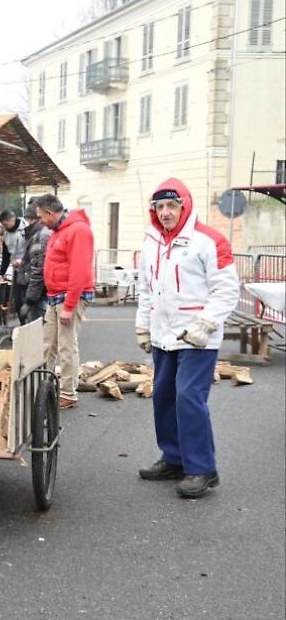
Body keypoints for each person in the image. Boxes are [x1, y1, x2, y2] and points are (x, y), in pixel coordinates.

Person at [135, 179, 238, 499]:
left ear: (185, 206)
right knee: (164, 397)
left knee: (188, 398)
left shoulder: (209, 240)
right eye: (160, 207)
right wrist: (143, 326)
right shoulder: (151, 242)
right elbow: (146, 289)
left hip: (197, 337)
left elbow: (227, 289)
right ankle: (174, 458)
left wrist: (205, 325)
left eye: (171, 206)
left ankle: (203, 469)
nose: (165, 213)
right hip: (164, 335)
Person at [35, 194, 94, 409]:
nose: (41, 221)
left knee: (66, 346)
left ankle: (68, 393)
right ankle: (43, 386)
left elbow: (80, 271)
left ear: (50, 213)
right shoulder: (60, 231)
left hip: (69, 297)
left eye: (42, 217)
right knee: (48, 343)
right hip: (55, 296)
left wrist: (69, 306)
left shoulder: (78, 230)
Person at [17, 201, 51, 324]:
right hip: (40, 291)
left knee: (39, 328)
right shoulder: (40, 234)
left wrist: (29, 300)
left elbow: (38, 270)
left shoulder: (40, 236)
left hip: (39, 293)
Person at [0, 209, 28, 323]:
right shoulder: (6, 235)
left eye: (6, 224)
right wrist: (1, 273)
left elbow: (33, 250)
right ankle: (23, 324)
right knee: (18, 300)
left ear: (12, 219)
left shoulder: (26, 229)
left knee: (29, 298)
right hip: (17, 270)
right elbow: (6, 256)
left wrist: (24, 261)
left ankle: (34, 323)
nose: (4, 227)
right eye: (3, 225)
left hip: (29, 269)